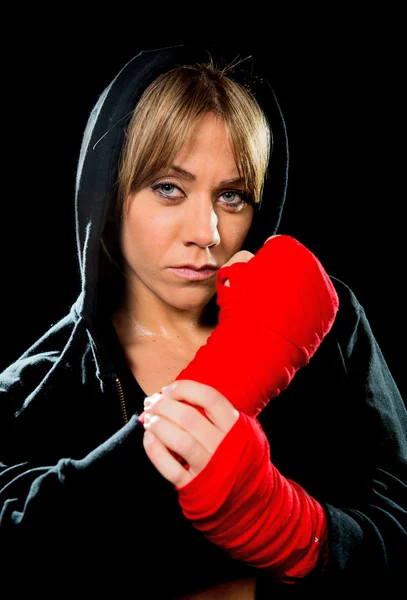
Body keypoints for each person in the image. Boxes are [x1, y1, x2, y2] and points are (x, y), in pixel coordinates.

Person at [0, 43, 406, 598]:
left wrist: (295, 533)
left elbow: (400, 521)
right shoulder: (33, 388)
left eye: (232, 196)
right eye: (169, 188)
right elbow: (26, 555)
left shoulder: (326, 324)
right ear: (109, 196)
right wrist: (236, 370)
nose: (208, 232)